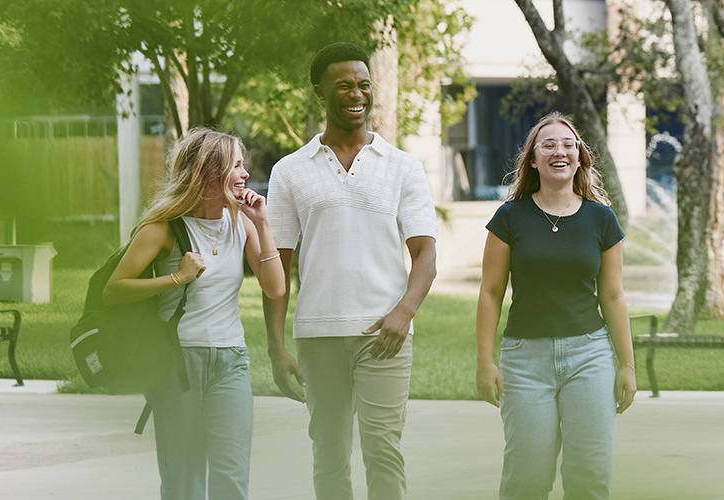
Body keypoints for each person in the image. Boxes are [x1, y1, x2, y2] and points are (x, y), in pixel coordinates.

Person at [264, 42, 439, 500]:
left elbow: (425, 254)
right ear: (320, 92)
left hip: (384, 333)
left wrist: (404, 312)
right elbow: (276, 266)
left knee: (383, 451)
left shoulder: (403, 167)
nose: (356, 94)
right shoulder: (289, 171)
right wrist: (276, 346)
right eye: (344, 86)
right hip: (317, 333)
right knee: (329, 453)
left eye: (364, 85)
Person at [102, 128, 287, 500]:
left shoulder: (244, 225)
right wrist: (176, 277)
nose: (245, 174)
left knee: (232, 478)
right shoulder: (163, 228)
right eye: (236, 165)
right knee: (183, 482)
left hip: (230, 362)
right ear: (209, 172)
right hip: (177, 364)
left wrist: (263, 223)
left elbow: (276, 288)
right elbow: (113, 290)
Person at [475, 112, 638, 500]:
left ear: (580, 157)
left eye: (568, 144)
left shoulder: (602, 219)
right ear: (533, 160)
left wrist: (627, 365)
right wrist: (485, 362)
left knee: (589, 477)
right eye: (548, 144)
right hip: (524, 361)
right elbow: (490, 291)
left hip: (590, 356)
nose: (559, 151)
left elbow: (613, 296)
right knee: (526, 480)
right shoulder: (509, 217)